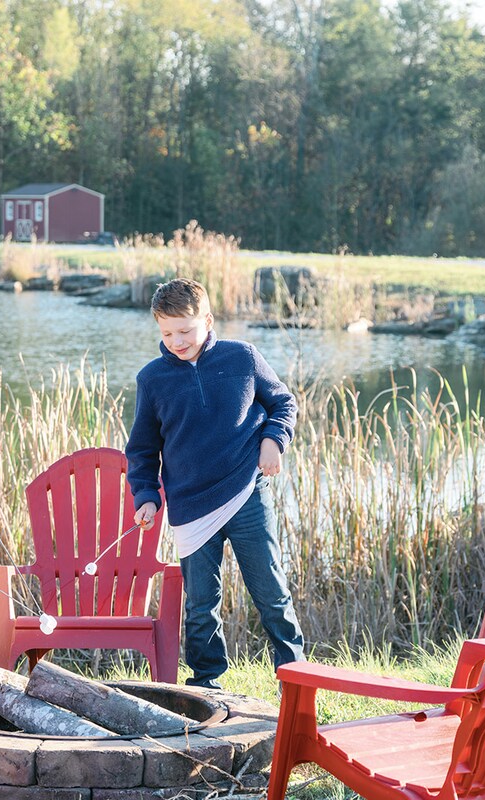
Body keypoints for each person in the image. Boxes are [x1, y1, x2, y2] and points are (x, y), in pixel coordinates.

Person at [125, 277, 304, 689]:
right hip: (190, 507)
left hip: (246, 494)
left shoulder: (242, 357)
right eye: (167, 333)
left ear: (207, 320)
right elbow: (142, 449)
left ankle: (295, 679)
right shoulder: (152, 380)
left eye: (185, 330)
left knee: (271, 592)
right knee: (202, 604)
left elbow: (283, 402)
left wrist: (274, 440)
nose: (177, 340)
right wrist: (147, 495)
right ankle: (207, 683)